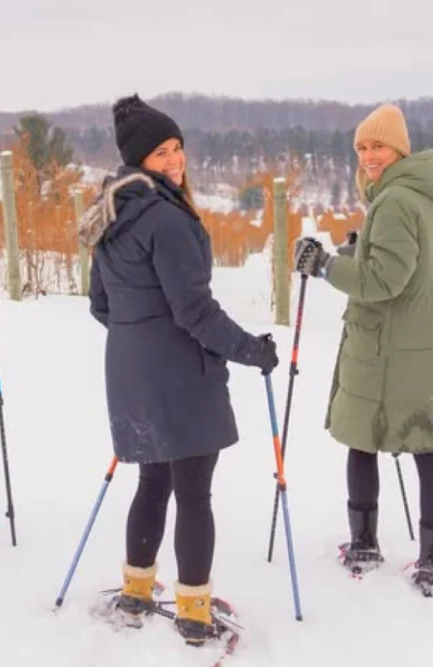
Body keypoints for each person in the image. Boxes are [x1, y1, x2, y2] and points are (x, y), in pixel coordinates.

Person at [78, 95, 279, 643]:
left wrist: (139, 342)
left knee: (152, 482)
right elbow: (193, 311)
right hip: (179, 375)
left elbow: (102, 305)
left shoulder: (114, 211)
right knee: (192, 492)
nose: (174, 161)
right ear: (139, 160)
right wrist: (250, 349)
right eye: (161, 153)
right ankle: (193, 608)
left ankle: (137, 592)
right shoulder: (165, 218)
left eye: (177, 149)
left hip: (130, 374)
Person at [293, 103, 433, 597]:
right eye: (362, 147)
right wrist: (360, 248)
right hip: (429, 345)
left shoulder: (394, 200)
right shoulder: (425, 193)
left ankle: (364, 545)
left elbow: (383, 280)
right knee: (426, 445)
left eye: (378, 146)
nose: (369, 156)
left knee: (362, 436)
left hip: (390, 346)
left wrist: (327, 265)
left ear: (400, 149)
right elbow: (405, 263)